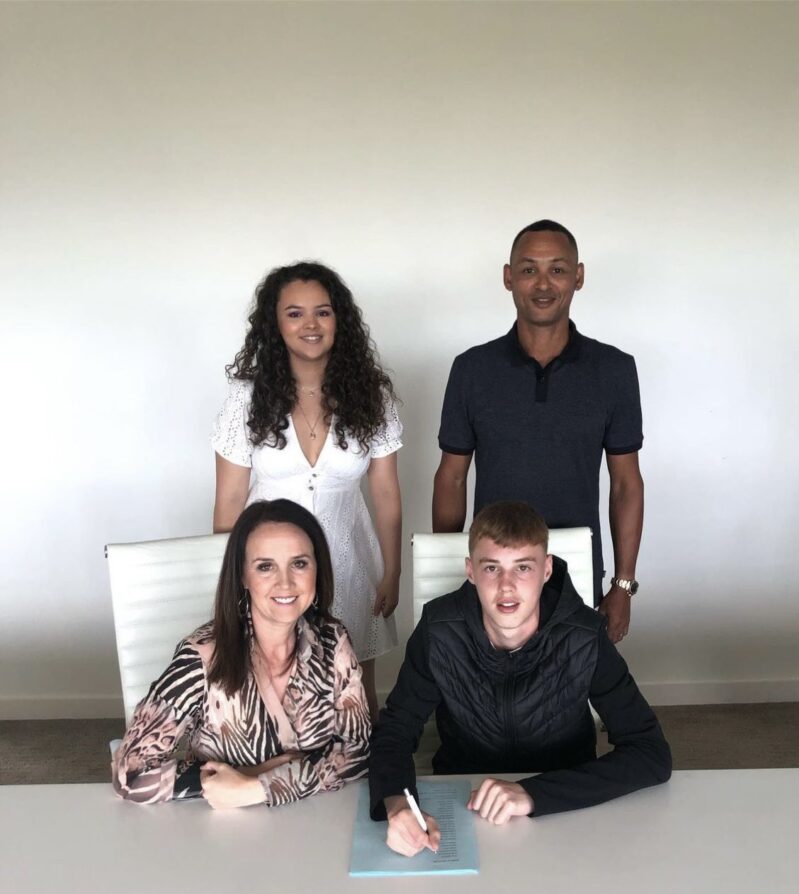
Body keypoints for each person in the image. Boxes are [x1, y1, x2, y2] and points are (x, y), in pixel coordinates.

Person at [368, 501, 670, 857]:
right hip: (467, 803)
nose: (507, 586)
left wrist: (533, 793)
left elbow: (650, 753)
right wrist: (397, 804)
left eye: (523, 567)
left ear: (546, 570)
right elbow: (394, 731)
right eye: (492, 568)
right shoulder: (439, 629)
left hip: (564, 808)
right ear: (470, 571)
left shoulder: (585, 635)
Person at [433, 219, 644, 645]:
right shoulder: (472, 369)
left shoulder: (615, 370)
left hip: (577, 568)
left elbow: (625, 484)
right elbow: (452, 476)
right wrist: (446, 568)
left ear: (578, 276)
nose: (543, 283)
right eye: (529, 270)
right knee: (482, 699)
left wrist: (622, 586)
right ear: (508, 278)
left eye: (558, 269)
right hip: (493, 571)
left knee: (572, 702)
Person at [211, 261, 402, 720]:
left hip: (351, 559)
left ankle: (361, 773)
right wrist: (226, 576)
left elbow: (386, 494)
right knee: (270, 679)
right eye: (295, 313)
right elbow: (230, 501)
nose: (310, 325)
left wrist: (391, 570)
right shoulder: (246, 398)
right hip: (268, 564)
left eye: (323, 312)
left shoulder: (372, 396)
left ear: (341, 320)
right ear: (275, 324)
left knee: (356, 686)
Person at [112, 499, 370, 808]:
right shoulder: (203, 656)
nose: (285, 582)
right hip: (223, 831)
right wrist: (257, 777)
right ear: (243, 577)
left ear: (318, 568)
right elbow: (130, 774)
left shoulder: (332, 641)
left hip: (315, 820)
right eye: (265, 566)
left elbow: (358, 749)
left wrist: (258, 785)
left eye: (299, 563)